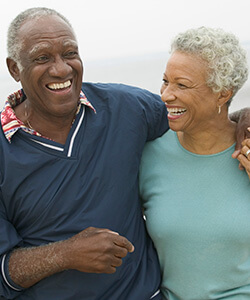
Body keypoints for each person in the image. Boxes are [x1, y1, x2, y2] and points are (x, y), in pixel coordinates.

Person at [0, 8, 248, 300]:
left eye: (70, 53)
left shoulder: (125, 108)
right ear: (15, 68)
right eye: (43, 58)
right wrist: (65, 254)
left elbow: (197, 113)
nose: (61, 69)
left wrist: (243, 117)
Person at [139, 27, 250, 300]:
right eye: (165, 81)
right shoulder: (148, 155)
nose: (165, 94)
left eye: (182, 85)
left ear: (222, 94)